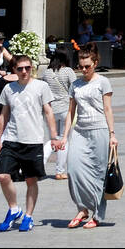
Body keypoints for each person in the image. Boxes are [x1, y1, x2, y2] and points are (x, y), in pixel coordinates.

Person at [0, 55, 62, 232]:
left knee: (31, 180)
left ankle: (28, 216)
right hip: (11, 140)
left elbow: (48, 112)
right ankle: (14, 209)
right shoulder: (8, 88)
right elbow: (3, 115)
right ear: (14, 70)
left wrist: (54, 136)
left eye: (27, 68)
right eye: (20, 69)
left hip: (33, 141)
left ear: (32, 68)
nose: (24, 71)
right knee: (3, 176)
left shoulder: (41, 86)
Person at [62, 48, 115, 229]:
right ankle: (82, 208)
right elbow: (70, 112)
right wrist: (64, 136)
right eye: (80, 66)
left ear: (95, 64)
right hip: (80, 131)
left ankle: (98, 214)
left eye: (87, 66)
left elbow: (108, 109)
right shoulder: (75, 84)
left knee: (98, 174)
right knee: (73, 169)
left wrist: (112, 134)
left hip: (99, 129)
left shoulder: (103, 82)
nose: (83, 70)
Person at [42, 50, 77, 179]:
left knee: (53, 139)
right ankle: (60, 171)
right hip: (65, 109)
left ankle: (40, 164)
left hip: (50, 110)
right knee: (64, 139)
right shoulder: (68, 71)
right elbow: (75, 89)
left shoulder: (46, 72)